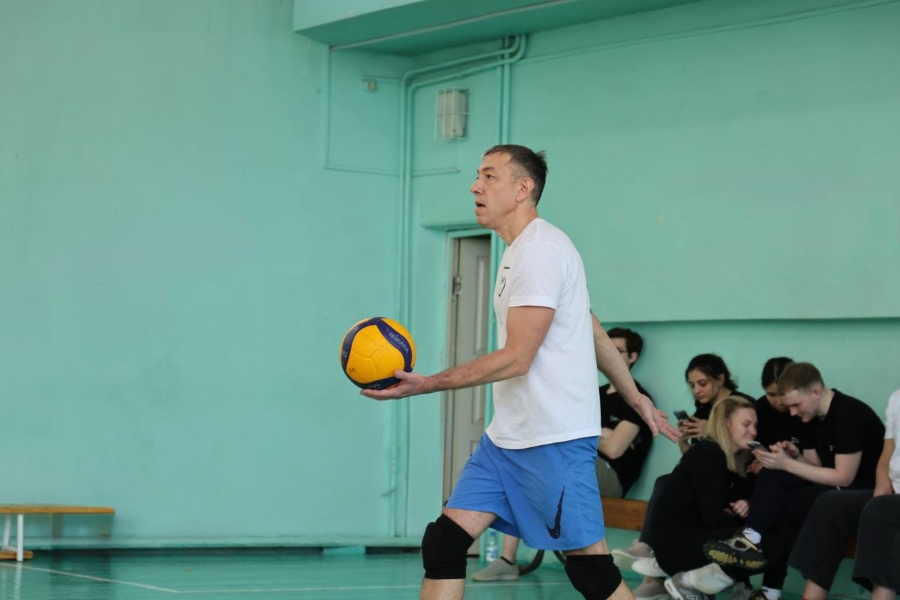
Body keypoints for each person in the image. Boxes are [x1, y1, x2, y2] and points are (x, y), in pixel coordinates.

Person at [362, 144, 679, 600]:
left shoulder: (541, 250)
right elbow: (590, 327)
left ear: (522, 188)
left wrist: (428, 383)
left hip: (554, 439)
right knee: (445, 543)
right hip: (507, 439)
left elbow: (517, 357)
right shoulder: (519, 250)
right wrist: (635, 397)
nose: (475, 186)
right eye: (478, 176)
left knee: (591, 571)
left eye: (489, 176)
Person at [471, 327, 655, 583]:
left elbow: (614, 449)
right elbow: (564, 428)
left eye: (617, 351)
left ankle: (525, 560)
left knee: (538, 461)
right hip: (578, 461)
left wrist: (586, 432)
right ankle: (507, 560)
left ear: (632, 357)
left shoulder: (635, 398)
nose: (607, 355)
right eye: (605, 349)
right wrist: (599, 433)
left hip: (610, 476)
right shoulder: (595, 393)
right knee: (522, 467)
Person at [704, 362, 885, 600]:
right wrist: (794, 456)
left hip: (862, 492)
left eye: (796, 405)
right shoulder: (812, 417)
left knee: (785, 498)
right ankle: (749, 540)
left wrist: (788, 464)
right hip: (833, 487)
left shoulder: (849, 414)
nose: (792, 413)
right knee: (772, 474)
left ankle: (766, 583)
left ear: (816, 392)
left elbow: (844, 477)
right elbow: (816, 468)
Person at [613, 353, 752, 600]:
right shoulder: (703, 408)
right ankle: (654, 562)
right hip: (709, 481)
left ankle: (656, 557)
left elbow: (737, 456)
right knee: (669, 485)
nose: (696, 390)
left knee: (675, 493)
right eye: (692, 385)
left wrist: (711, 430)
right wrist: (684, 442)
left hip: (736, 481)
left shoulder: (741, 406)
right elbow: (696, 464)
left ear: (721, 379)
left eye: (702, 383)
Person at [637, 397, 787, 600]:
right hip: (677, 546)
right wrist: (742, 516)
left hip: (695, 539)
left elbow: (733, 506)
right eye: (746, 424)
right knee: (770, 545)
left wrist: (752, 493)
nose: (753, 431)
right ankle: (687, 581)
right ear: (726, 424)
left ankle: (697, 582)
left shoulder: (736, 460)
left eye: (755, 425)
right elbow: (714, 517)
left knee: (768, 533)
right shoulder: (709, 453)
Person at [786, 387, 899, 600]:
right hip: (893, 494)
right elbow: (886, 458)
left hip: (891, 505)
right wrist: (881, 493)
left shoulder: (850, 412)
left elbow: (844, 477)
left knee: (881, 510)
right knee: (831, 503)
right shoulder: (896, 398)